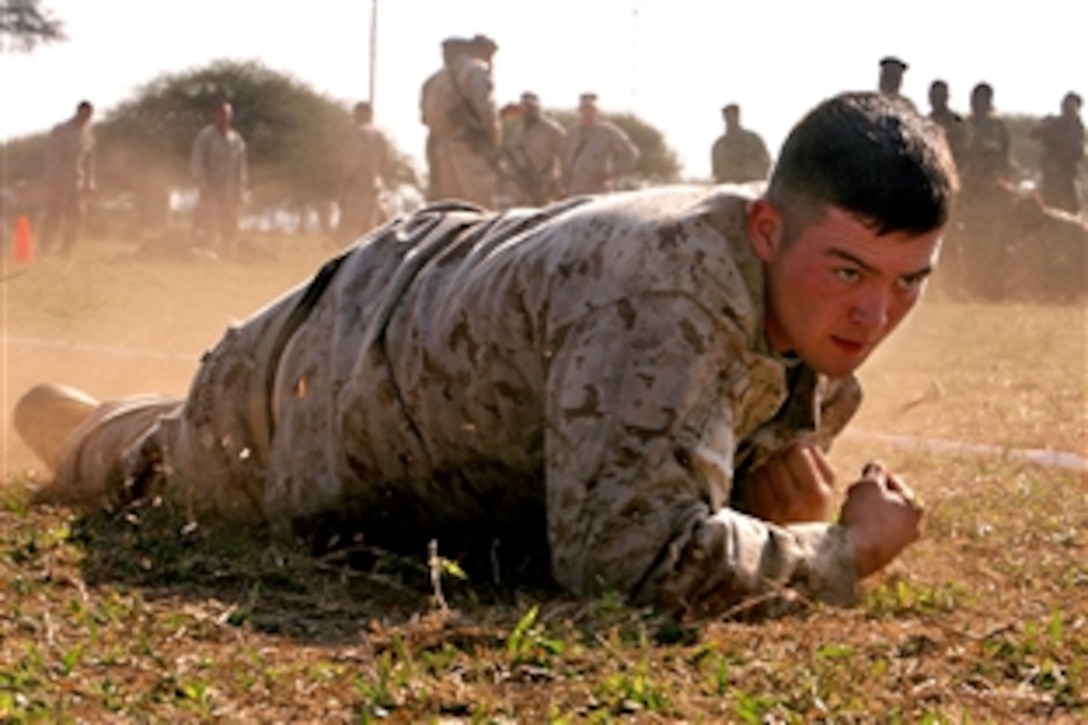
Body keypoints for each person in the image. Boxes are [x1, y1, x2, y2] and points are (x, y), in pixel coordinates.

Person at [14, 92, 955, 618]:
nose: (875, 311)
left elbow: (657, 473)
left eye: (909, 280)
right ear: (764, 227)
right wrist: (837, 550)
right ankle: (91, 428)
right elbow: (625, 561)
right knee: (156, 465)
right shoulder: (667, 298)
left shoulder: (814, 344)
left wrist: (753, 487)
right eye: (847, 269)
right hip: (318, 386)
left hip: (413, 324)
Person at [420, 34, 500, 208]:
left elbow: (425, 118)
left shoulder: (436, 79)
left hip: (442, 151)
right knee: (480, 208)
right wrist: (494, 141)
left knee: (453, 210)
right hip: (470, 148)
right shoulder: (475, 70)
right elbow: (485, 108)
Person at [39, 101, 96, 258]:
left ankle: (66, 250)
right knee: (54, 215)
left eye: (90, 114)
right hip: (59, 180)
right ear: (78, 112)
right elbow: (52, 156)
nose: (87, 117)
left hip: (76, 181)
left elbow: (89, 160)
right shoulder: (61, 131)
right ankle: (45, 248)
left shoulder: (88, 133)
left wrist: (90, 182)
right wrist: (54, 178)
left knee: (78, 216)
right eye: (84, 113)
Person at [190, 101, 249, 253]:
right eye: (222, 114)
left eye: (228, 114)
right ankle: (208, 253)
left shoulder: (237, 140)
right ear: (215, 115)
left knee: (231, 223)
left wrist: (241, 189)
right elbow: (198, 161)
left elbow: (241, 167)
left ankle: (228, 252)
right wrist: (202, 184)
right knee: (209, 223)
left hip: (230, 191)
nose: (225, 118)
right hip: (211, 190)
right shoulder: (205, 137)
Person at [560, 93, 640, 197]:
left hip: (597, 191)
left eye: (591, 110)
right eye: (584, 109)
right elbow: (563, 159)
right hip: (573, 190)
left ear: (596, 112)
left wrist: (611, 174)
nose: (587, 113)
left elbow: (630, 153)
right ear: (579, 111)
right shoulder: (571, 133)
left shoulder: (607, 132)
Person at [338, 101, 392, 243]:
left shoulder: (359, 133)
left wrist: (345, 182)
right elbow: (386, 162)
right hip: (375, 185)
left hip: (358, 185)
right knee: (370, 227)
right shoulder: (381, 135)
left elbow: (352, 163)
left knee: (352, 228)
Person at [501, 92, 566, 206]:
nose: (528, 111)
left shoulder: (552, 130)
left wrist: (558, 183)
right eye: (525, 107)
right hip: (520, 189)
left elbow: (567, 157)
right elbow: (508, 157)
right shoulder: (517, 132)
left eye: (531, 107)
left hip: (544, 188)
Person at [1030, 92, 1084, 214]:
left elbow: (1078, 152)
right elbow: (1033, 133)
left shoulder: (1077, 128)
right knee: (1048, 209)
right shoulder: (1053, 122)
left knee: (1072, 210)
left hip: (1068, 177)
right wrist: (1055, 125)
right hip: (1050, 176)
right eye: (1066, 106)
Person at [961, 83, 1012, 196]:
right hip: (967, 179)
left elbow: (1003, 152)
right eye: (974, 98)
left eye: (980, 99)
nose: (975, 102)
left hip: (991, 180)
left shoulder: (996, 125)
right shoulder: (965, 124)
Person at [710, 103, 772, 184]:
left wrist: (746, 171)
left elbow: (765, 163)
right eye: (728, 116)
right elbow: (716, 171)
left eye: (733, 116)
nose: (731, 119)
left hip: (752, 186)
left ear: (738, 116)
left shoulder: (753, 140)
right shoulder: (719, 145)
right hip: (728, 187)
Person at [927, 80, 968, 170]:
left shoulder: (957, 121)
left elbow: (964, 151)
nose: (936, 99)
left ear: (946, 97)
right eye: (933, 96)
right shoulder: (924, 123)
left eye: (939, 96)